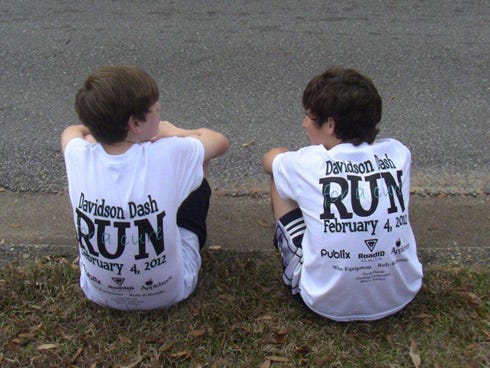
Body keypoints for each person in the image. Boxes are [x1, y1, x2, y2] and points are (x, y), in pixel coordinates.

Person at [61, 66, 229, 311]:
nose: (160, 118)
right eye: (157, 112)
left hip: (97, 291)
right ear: (135, 123)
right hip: (170, 291)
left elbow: (71, 131)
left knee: (88, 148)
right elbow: (220, 142)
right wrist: (177, 133)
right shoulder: (169, 152)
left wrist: (97, 132)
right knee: (195, 159)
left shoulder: (77, 153)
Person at [262, 67, 423, 321]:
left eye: (309, 116)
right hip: (401, 293)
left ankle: (301, 259)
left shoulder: (307, 162)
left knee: (280, 175)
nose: (304, 124)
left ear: (330, 124)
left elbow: (269, 160)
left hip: (324, 301)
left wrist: (285, 153)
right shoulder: (398, 153)